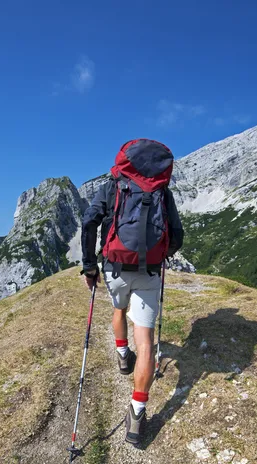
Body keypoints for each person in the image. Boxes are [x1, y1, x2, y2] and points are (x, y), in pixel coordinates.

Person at [81, 139, 184, 445]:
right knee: (147, 341)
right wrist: (163, 254)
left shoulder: (113, 186)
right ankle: (137, 415)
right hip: (150, 271)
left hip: (115, 268)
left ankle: (123, 355)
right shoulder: (162, 192)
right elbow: (177, 234)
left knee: (118, 311)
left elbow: (89, 222)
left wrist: (90, 267)